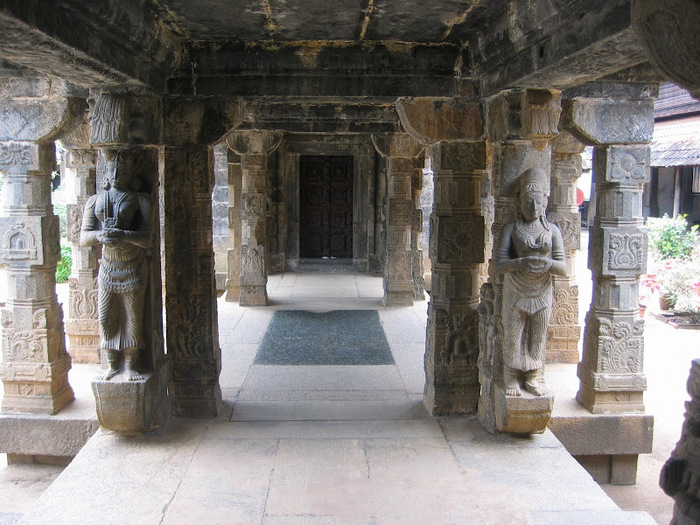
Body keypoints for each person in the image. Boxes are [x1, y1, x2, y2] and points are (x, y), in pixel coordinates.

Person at [494, 167, 566, 396]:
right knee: (513, 334)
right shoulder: (511, 229)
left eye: (538, 202)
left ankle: (534, 376)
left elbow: (563, 268)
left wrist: (548, 264)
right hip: (516, 287)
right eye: (528, 202)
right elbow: (499, 265)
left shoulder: (552, 230)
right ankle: (511, 376)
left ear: (545, 202)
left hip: (542, 288)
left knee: (538, 335)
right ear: (519, 202)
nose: (533, 208)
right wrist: (520, 262)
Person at [80, 150, 152, 381]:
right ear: (106, 173)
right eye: (112, 170)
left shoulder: (140, 200)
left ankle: (131, 364)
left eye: (122, 170)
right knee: (105, 317)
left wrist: (123, 235)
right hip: (108, 267)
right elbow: (83, 238)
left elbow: (148, 238)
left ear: (131, 173)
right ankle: (112, 363)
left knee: (134, 317)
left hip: (132, 266)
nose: (117, 174)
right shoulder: (95, 200)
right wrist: (102, 235)